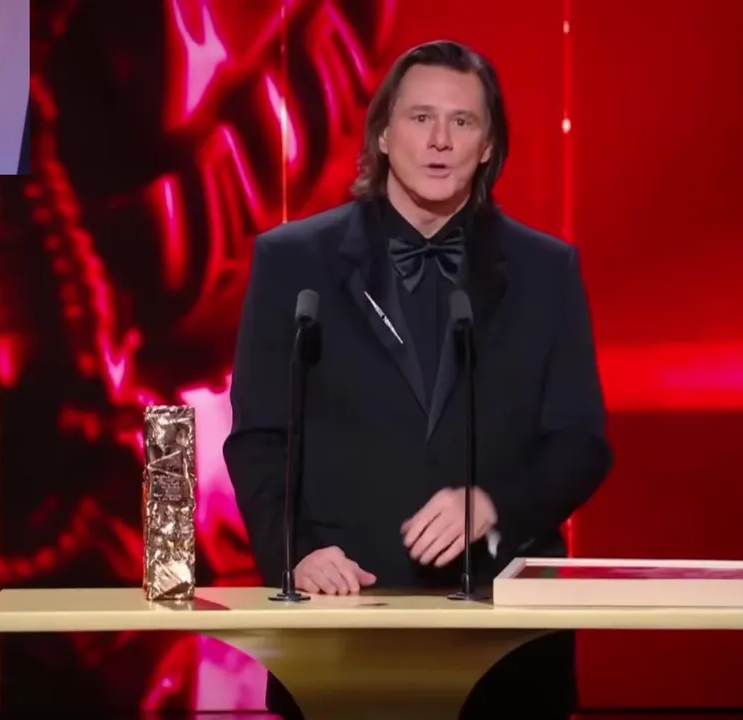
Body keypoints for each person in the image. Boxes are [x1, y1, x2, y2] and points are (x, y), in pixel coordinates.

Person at [223, 39, 612, 719]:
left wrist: (492, 505)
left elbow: (579, 442)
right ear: (382, 134)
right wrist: (299, 553)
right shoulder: (293, 262)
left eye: (462, 122)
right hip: (340, 618)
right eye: (420, 117)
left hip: (504, 627)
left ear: (488, 146)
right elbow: (259, 436)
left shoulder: (547, 270)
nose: (439, 141)